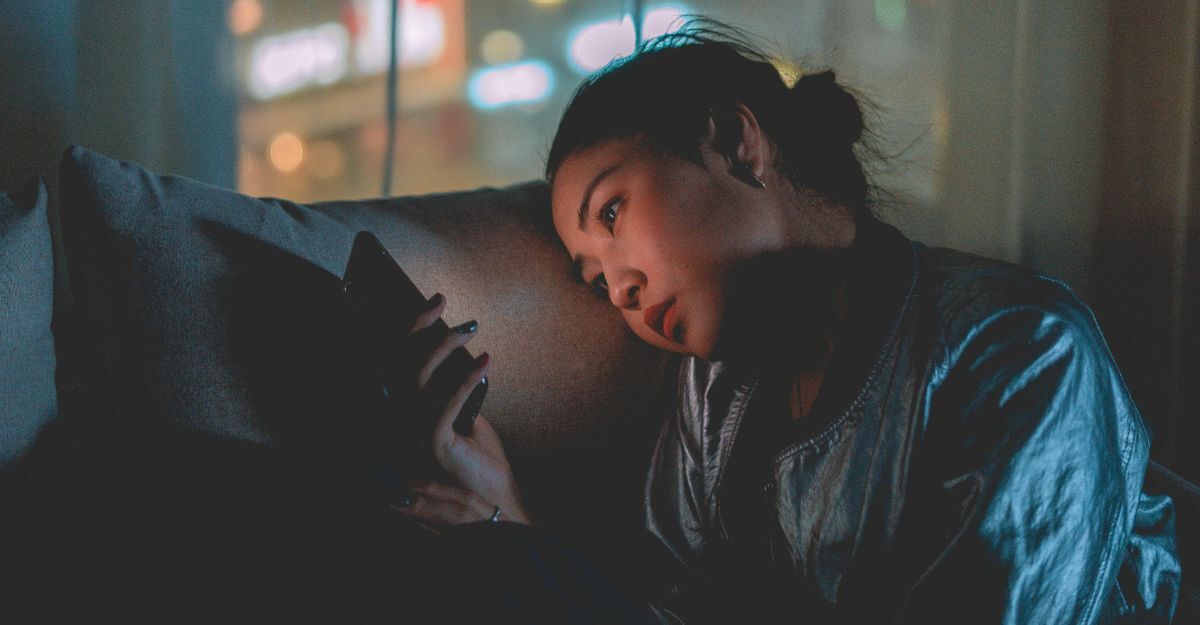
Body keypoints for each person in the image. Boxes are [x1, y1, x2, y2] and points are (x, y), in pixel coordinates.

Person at [390, 21, 1181, 624]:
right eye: (594, 279)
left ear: (738, 143)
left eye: (614, 212)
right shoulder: (711, 399)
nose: (620, 289)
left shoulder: (1020, 348)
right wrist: (510, 520)